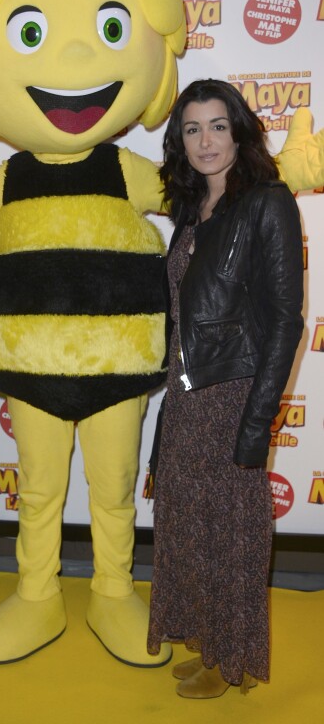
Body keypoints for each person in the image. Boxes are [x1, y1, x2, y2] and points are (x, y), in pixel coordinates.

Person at [146, 79, 305, 698]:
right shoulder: (192, 210)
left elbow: (286, 319)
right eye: (192, 129)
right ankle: (208, 641)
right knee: (190, 526)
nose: (206, 140)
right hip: (188, 396)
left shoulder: (268, 201)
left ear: (239, 130)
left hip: (233, 394)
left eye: (218, 125)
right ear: (179, 141)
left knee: (230, 532)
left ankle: (230, 658)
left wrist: (256, 420)